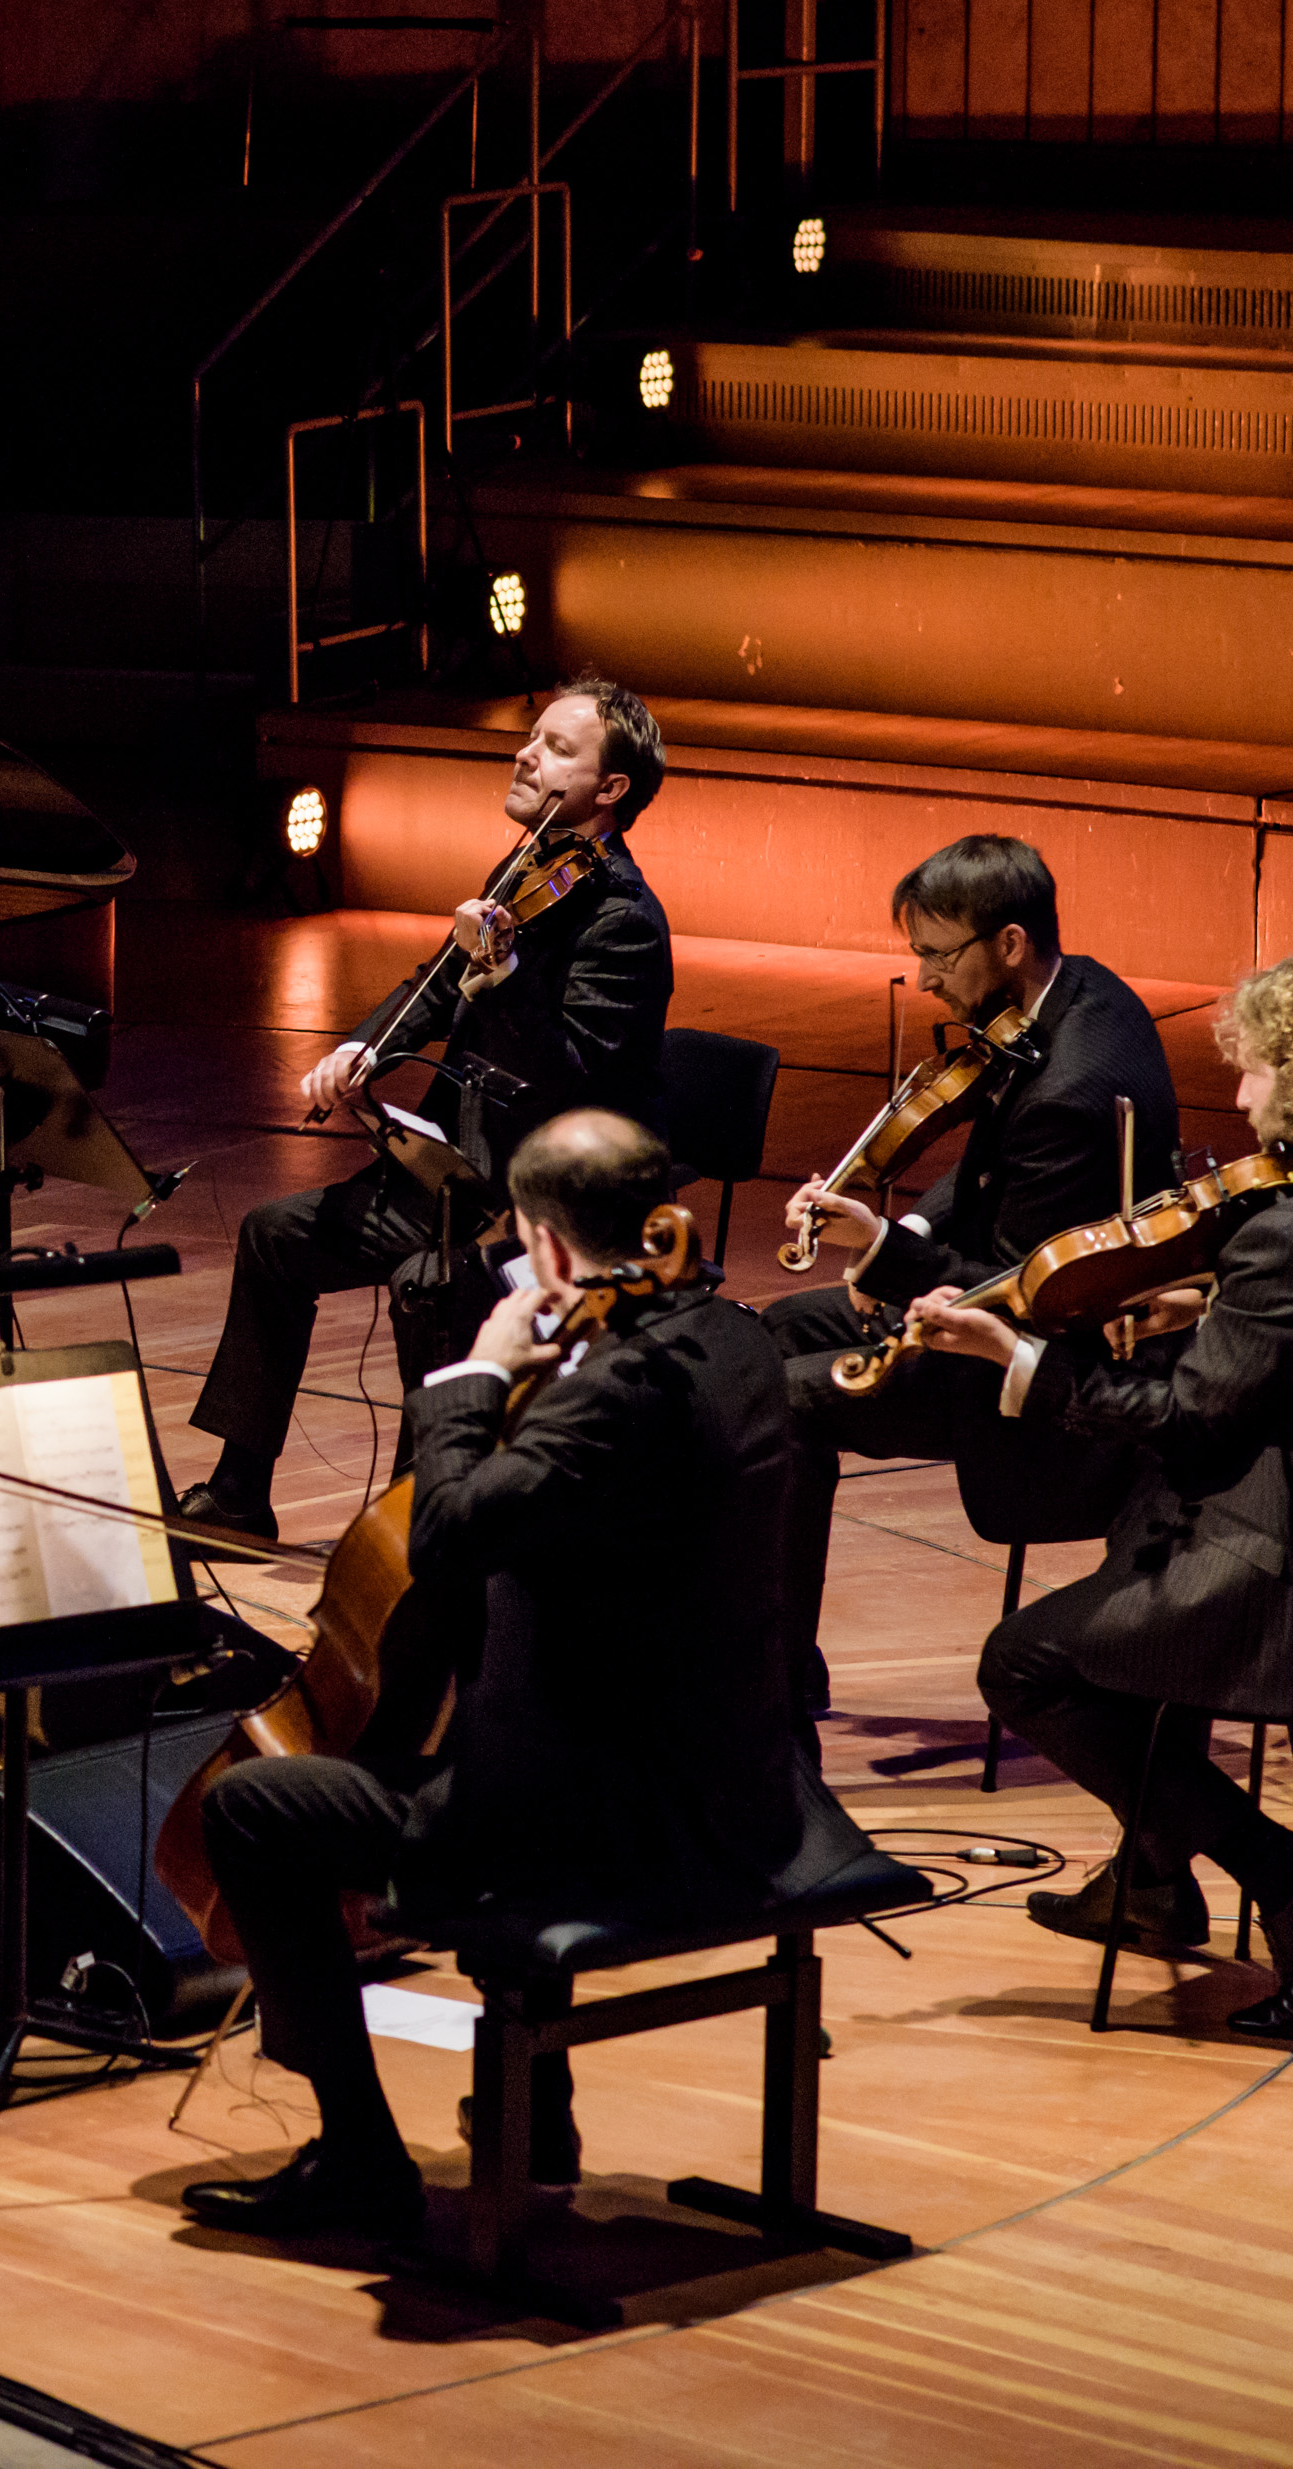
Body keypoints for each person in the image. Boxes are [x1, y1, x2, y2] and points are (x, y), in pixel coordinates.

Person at [177, 1111, 818, 2240]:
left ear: (548, 1247)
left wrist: (475, 1373)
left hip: (598, 1828)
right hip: (744, 1784)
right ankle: (542, 2116)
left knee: (253, 1805)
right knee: (529, 1686)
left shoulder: (601, 1397)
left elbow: (449, 1532)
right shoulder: (735, 1344)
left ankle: (360, 2160)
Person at [902, 950, 1293, 2039]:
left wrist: (1017, 1352)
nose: (1237, 1096)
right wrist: (1218, 1308)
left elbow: (1189, 1415)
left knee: (1025, 1660)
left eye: (1254, 1071)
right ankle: (1148, 1875)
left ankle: (1288, 1872)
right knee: (1148, 1516)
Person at [179, 678, 674, 1540]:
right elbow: (437, 984)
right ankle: (238, 1489)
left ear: (611, 790)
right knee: (273, 1234)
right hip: (448, 1177)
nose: (526, 754)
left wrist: (510, 982)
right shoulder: (525, 867)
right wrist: (363, 1047)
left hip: (542, 1206)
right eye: (532, 736)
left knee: (430, 1286)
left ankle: (423, 1517)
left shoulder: (622, 920)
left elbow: (574, 1077)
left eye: (558, 748)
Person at [761, 835, 1178, 1713]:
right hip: (1002, 1308)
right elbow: (991, 1160)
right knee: (769, 1336)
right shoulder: (1073, 994)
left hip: (1033, 1386)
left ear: (1010, 943)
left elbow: (1010, 1289)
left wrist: (877, 1248)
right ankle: (765, 1651)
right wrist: (908, 1223)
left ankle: (773, 1685)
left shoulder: (1071, 1090)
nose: (922, 979)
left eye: (937, 954)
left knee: (781, 1404)